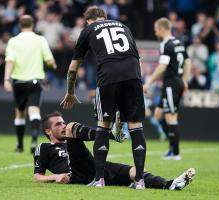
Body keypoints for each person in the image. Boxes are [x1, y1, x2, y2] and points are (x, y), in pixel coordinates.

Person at [60, 6, 146, 189]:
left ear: (88, 20)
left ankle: (99, 180)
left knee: (103, 126)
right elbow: (138, 59)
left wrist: (70, 92)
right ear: (105, 17)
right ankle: (140, 180)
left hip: (108, 77)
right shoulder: (123, 26)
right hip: (133, 76)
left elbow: (73, 68)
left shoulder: (88, 30)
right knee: (136, 127)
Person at [33, 111, 196, 191]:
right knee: (72, 128)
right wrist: (55, 177)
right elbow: (37, 176)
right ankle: (112, 134)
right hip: (77, 174)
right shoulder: (45, 148)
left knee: (135, 171)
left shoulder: (69, 142)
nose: (62, 126)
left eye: (62, 123)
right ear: (48, 131)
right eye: (57, 124)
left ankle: (171, 185)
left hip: (95, 167)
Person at [4, 15, 57, 153]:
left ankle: (20, 145)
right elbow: (49, 60)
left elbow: (10, 61)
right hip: (34, 81)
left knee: (19, 113)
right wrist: (53, 64)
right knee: (34, 112)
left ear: (20, 25)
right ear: (32, 24)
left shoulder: (13, 41)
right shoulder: (40, 40)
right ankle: (34, 140)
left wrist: (6, 80)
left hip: (18, 82)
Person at [143, 18, 191, 160]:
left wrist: (148, 83)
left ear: (163, 28)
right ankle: (171, 147)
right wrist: (185, 80)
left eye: (156, 29)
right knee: (158, 114)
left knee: (171, 116)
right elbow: (187, 61)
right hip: (175, 82)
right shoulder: (178, 42)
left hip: (171, 83)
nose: (155, 31)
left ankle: (175, 153)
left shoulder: (166, 44)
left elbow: (162, 67)